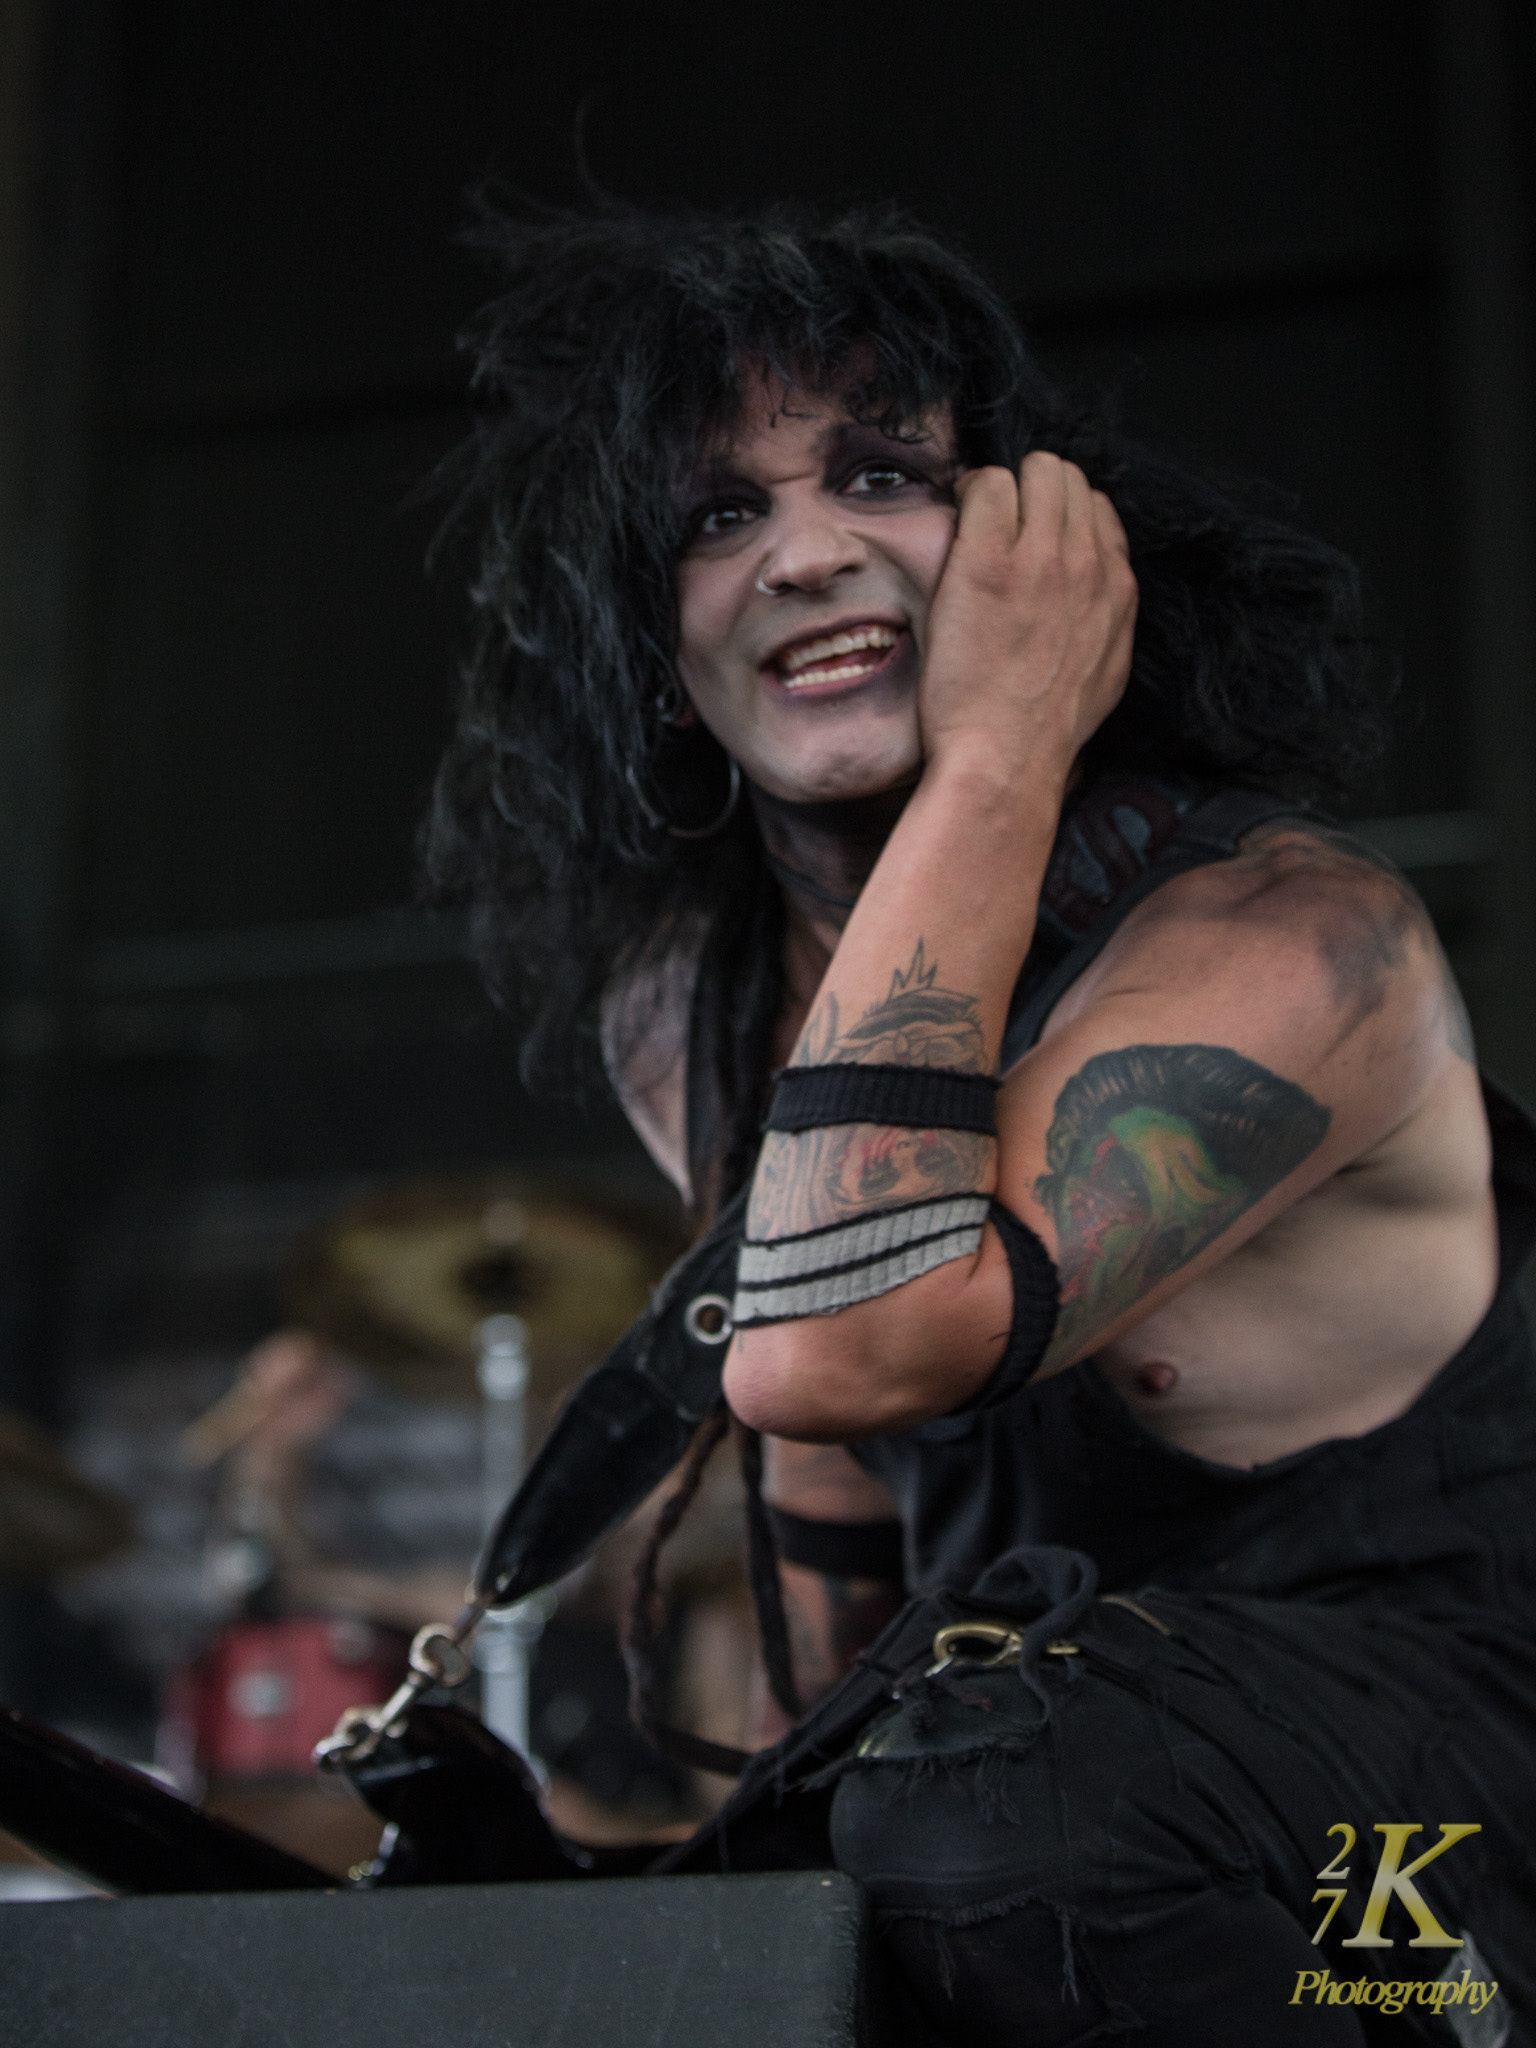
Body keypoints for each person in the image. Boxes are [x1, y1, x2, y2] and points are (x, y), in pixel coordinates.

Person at [425, 201, 1536, 2044]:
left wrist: (1006, 746)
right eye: (718, 515)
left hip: (1433, 1836)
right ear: (654, 646)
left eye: (883, 475)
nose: (806, 553)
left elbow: (834, 1349)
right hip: (1040, 1780)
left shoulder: (1296, 946)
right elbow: (829, 1467)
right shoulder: (689, 1016)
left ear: (1050, 550)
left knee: (999, 1808)